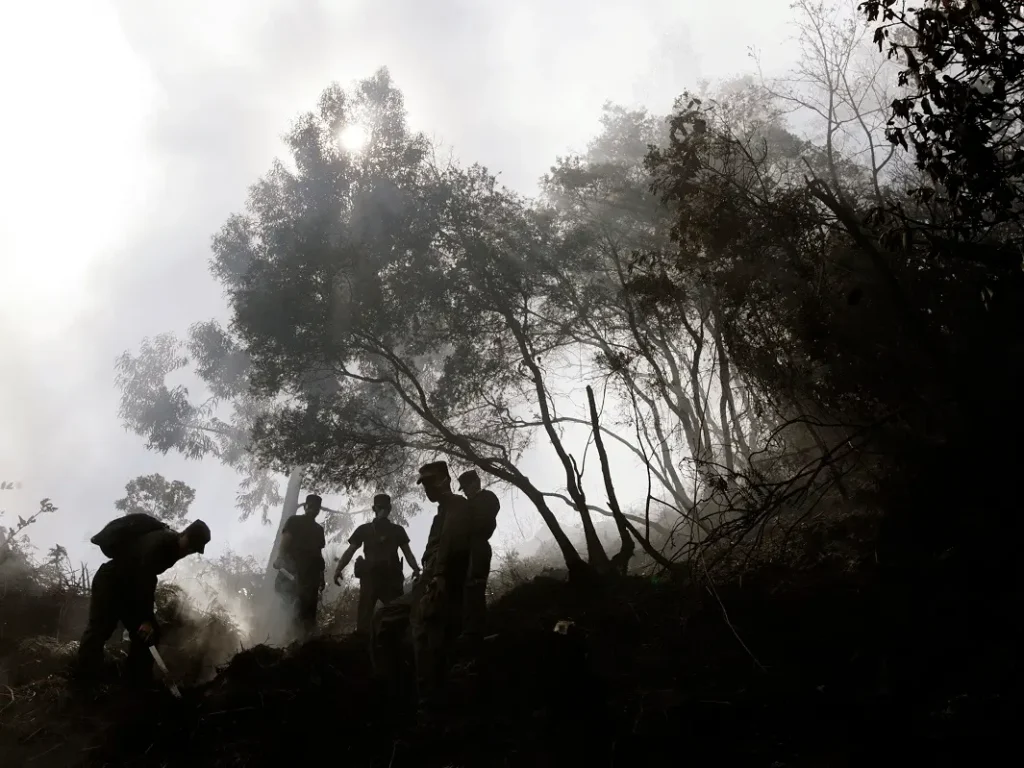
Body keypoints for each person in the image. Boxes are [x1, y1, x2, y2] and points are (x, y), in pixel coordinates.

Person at [78, 518, 211, 684]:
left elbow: (144, 579)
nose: (189, 552)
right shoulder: (163, 542)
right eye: (190, 546)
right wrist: (146, 619)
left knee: (149, 634)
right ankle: (82, 678)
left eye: (193, 550)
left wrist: (146, 620)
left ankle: (135, 682)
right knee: (100, 628)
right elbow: (145, 577)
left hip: (127, 588)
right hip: (110, 582)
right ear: (185, 535)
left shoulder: (171, 545)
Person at [409, 460, 475, 714]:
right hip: (431, 578)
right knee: (387, 620)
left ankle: (432, 704)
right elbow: (432, 548)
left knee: (429, 631)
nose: (428, 489)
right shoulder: (440, 514)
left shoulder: (456, 504)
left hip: (445, 580)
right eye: (424, 485)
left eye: (431, 482)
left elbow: (449, 543)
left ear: (446, 480)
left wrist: (438, 575)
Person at [333, 493, 421, 634]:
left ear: (390, 508)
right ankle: (363, 648)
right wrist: (339, 568)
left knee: (397, 617)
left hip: (391, 579)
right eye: (380, 507)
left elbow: (407, 552)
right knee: (364, 621)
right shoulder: (364, 529)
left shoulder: (397, 530)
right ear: (374, 508)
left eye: (385, 508)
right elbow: (350, 550)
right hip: (370, 578)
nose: (383, 511)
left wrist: (416, 569)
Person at [456, 470, 500, 646]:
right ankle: (472, 631)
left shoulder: (487, 498)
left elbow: (483, 523)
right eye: (464, 489)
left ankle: (476, 632)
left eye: (466, 487)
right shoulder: (468, 504)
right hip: (468, 549)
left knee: (475, 587)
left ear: (476, 482)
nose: (465, 491)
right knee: (467, 590)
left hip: (478, 547)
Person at [274, 494, 327, 639]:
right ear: (305, 507)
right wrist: (280, 558)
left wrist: (322, 576)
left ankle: (304, 642)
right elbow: (286, 539)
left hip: (312, 575)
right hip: (293, 570)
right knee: (291, 606)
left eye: (316, 508)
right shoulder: (294, 521)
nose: (313, 510)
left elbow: (318, 553)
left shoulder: (318, 529)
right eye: (311, 506)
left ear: (318, 510)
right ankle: (286, 640)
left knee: (308, 612)